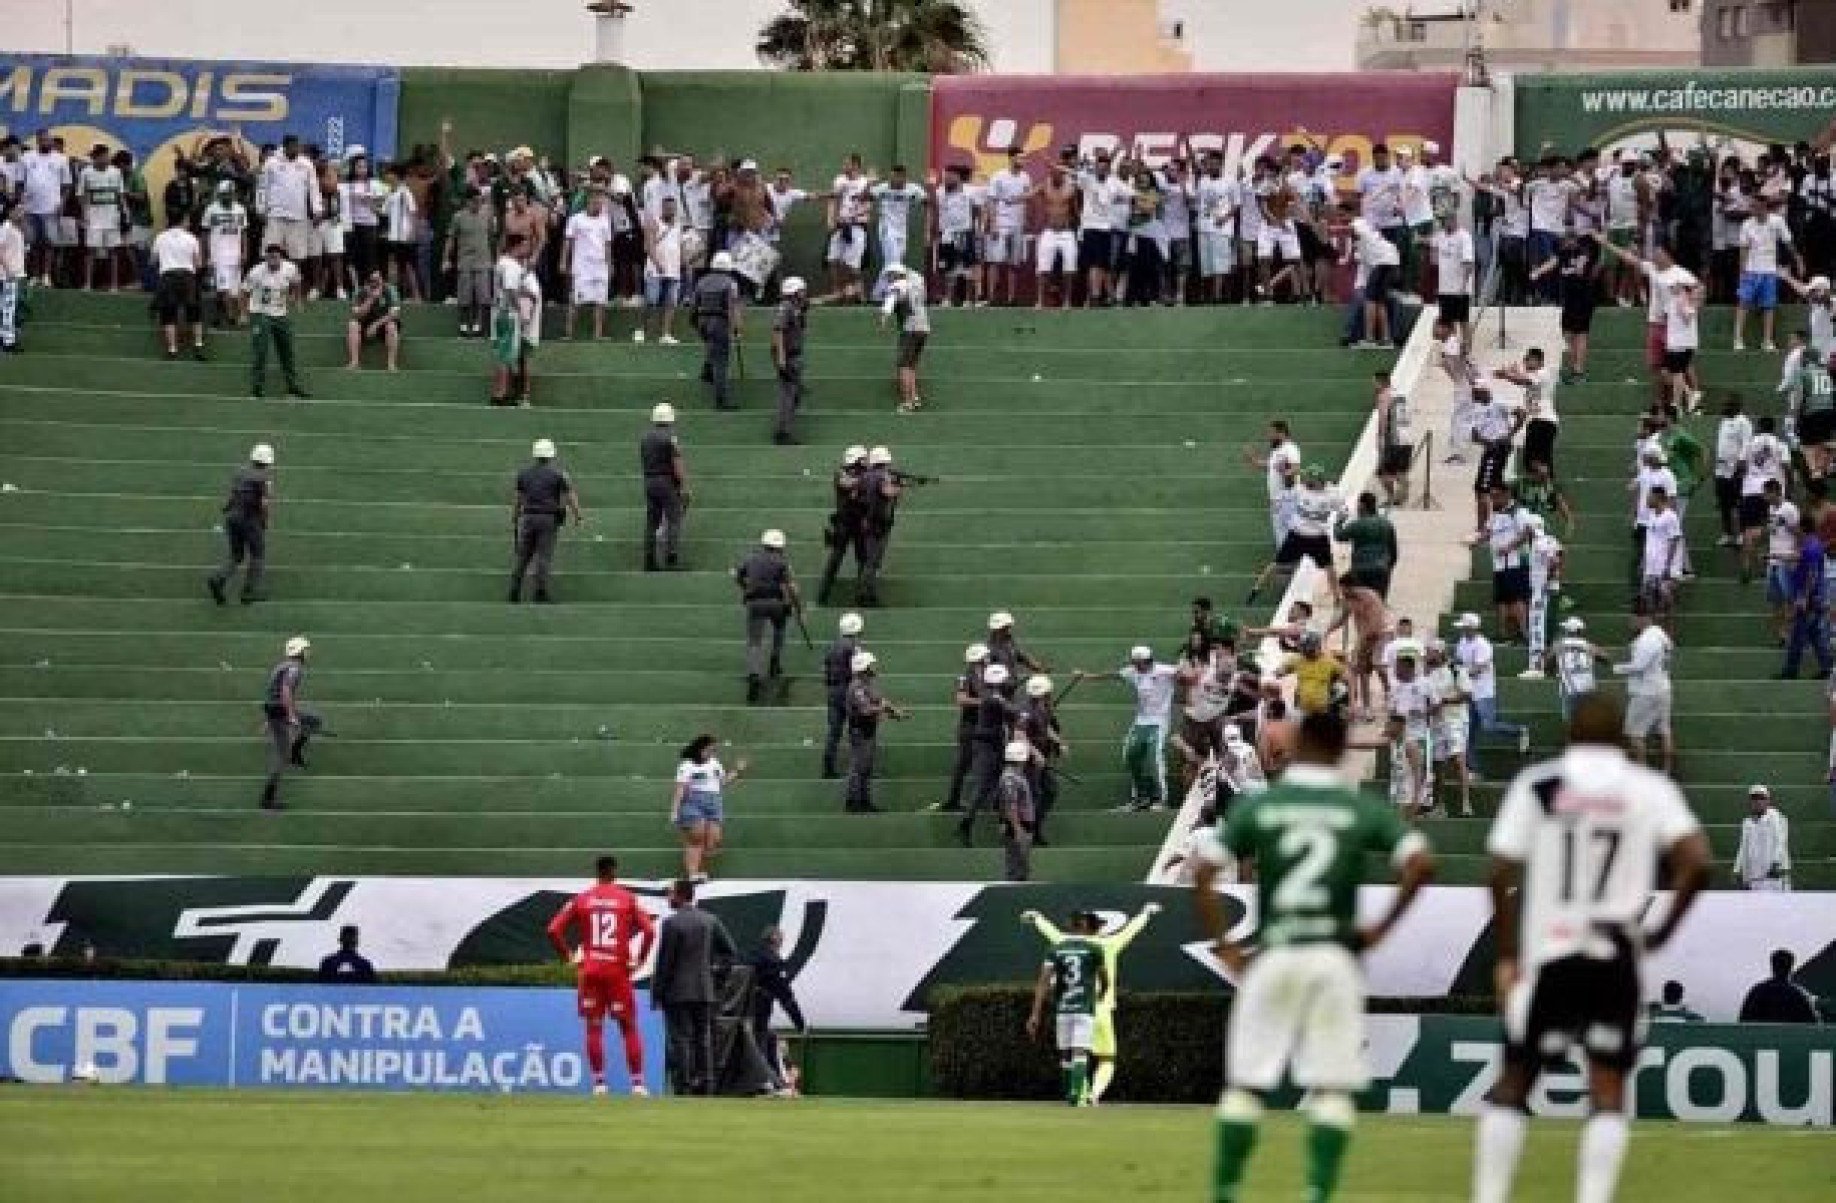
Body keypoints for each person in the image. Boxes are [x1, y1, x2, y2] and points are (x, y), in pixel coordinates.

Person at [1473, 693, 1709, 1203]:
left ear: (1571, 733)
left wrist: (1508, 956)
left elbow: (1497, 871)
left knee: (1515, 1081)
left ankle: (1490, 1197)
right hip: (1616, 953)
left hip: (1553, 954)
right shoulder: (1646, 787)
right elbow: (1698, 861)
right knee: (1607, 1089)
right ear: (1620, 734)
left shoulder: (1539, 785)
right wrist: (1660, 933)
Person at [1193, 709, 1433, 1203]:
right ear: (1345, 748)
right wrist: (1377, 933)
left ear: (1299, 744)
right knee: (1331, 1089)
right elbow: (1420, 863)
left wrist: (1229, 947)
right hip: (1333, 957)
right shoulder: (1357, 807)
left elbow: (1202, 873)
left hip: (1276, 953)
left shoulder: (1264, 804)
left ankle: (1226, 1191)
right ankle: (1318, 1193)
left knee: (1245, 1087)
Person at [547, 856, 658, 1096]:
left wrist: (569, 956)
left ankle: (599, 1084)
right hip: (617, 971)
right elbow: (649, 929)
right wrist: (639, 959)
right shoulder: (627, 898)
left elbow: (553, 929)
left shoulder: (582, 899)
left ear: (596, 872)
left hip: (591, 971)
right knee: (628, 1027)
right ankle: (637, 1084)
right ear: (614, 872)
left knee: (594, 1027)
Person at [652, 879, 738, 1096]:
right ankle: (708, 1084)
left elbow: (665, 963)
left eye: (670, 894)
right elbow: (730, 951)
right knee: (703, 1038)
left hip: (677, 992)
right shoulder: (710, 920)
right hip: (704, 990)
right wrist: (716, 977)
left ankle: (685, 1085)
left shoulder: (672, 924)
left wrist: (657, 994)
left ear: (681, 896)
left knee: (681, 1039)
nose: (668, 898)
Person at [1076, 646, 1180, 812]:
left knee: (1155, 758)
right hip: (1140, 721)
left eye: (1137, 662)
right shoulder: (1132, 672)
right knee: (1130, 756)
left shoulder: (1165, 671)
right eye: (1133, 662)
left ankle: (1162, 799)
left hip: (1159, 721)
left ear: (1145, 661)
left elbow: (1187, 675)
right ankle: (1139, 797)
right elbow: (1114, 675)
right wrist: (1089, 676)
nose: (1134, 665)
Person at [1025, 915, 1109, 1107]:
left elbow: (1043, 983)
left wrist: (1035, 1014)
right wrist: (1101, 994)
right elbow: (1105, 978)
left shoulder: (1055, 950)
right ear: (1085, 927)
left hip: (1063, 1008)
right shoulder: (1094, 949)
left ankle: (1070, 1093)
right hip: (1084, 1008)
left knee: (1065, 1053)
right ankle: (1074, 1093)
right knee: (1081, 1052)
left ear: (1070, 927)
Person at [1454, 612, 1530, 778]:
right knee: (1467, 733)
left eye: (1465, 627)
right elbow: (1460, 662)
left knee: (1488, 725)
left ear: (1472, 628)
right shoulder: (1462, 642)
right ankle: (1473, 770)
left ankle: (1520, 731)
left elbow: (1478, 669)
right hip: (1468, 692)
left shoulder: (1483, 645)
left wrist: (1461, 672)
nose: (1462, 630)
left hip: (1484, 692)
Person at [508, 439, 582, 605]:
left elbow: (518, 498)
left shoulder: (524, 474)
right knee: (543, 556)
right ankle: (540, 592)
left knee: (523, 555)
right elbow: (570, 496)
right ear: (551, 455)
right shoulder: (558, 475)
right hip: (548, 519)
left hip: (528, 518)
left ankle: (514, 589)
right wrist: (577, 515)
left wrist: (515, 516)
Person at [736, 529, 800, 704]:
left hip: (755, 603)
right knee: (780, 629)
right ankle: (775, 661)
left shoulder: (750, 559)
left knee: (754, 641)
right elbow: (791, 588)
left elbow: (739, 576)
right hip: (775, 603)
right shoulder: (782, 563)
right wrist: (795, 606)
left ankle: (754, 673)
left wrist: (745, 588)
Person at [208, 443, 275, 606]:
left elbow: (232, 495)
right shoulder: (264, 479)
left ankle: (219, 578)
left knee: (236, 555)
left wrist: (227, 509)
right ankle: (249, 593)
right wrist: (265, 521)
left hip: (232, 517)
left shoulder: (240, 472)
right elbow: (264, 503)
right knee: (257, 554)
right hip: (249, 519)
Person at [259, 635, 321, 811]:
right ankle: (267, 799)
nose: (308, 653)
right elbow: (285, 691)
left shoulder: (283, 665)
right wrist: (291, 716)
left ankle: (295, 754)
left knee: (314, 722)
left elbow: (273, 691)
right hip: (279, 710)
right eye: (306, 650)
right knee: (281, 756)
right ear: (300, 652)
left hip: (275, 709)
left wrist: (268, 719)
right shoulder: (294, 669)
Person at [673, 733, 746, 883]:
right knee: (696, 838)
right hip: (693, 802)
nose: (712, 752)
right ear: (700, 749)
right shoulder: (687, 765)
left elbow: (723, 782)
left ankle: (700, 870)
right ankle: (693, 874)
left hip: (714, 802)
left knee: (714, 840)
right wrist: (675, 810)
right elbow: (680, 788)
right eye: (710, 749)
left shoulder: (715, 763)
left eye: (713, 750)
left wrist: (737, 771)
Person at [842, 650, 909, 814]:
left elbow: (881, 702)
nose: (874, 667)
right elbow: (866, 710)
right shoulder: (857, 687)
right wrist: (885, 711)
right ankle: (853, 802)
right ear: (864, 668)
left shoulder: (867, 684)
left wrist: (895, 712)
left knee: (865, 768)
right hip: (861, 732)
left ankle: (863, 801)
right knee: (859, 768)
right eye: (870, 665)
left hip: (868, 731)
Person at [1614, 601, 1675, 775]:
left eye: (1633, 618)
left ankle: (1642, 773)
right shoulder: (1661, 634)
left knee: (1634, 733)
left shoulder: (1647, 640)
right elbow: (1669, 650)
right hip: (1663, 686)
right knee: (1665, 730)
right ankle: (1667, 771)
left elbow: (1639, 666)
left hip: (1646, 691)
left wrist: (1617, 668)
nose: (1631, 621)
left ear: (1642, 618)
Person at [745, 926, 807, 1095]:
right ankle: (768, 1083)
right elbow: (786, 997)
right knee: (765, 1042)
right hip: (759, 1013)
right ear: (776, 940)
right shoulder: (773, 962)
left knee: (762, 1041)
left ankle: (763, 1082)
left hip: (741, 1014)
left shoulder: (749, 957)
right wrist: (800, 1023)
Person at [243, 244, 308, 399]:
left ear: (281, 257)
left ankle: (292, 386)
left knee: (287, 351)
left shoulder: (290, 268)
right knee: (261, 351)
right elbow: (244, 292)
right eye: (270, 256)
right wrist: (243, 314)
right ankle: (257, 388)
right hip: (260, 313)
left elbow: (297, 282)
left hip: (280, 314)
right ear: (266, 257)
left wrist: (297, 299)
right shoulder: (256, 271)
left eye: (276, 256)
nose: (273, 260)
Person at [489, 233, 539, 407]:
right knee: (504, 356)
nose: (526, 249)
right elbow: (510, 291)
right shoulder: (511, 266)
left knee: (503, 354)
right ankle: (500, 394)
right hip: (508, 315)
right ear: (515, 246)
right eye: (524, 245)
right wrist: (520, 307)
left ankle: (500, 392)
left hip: (500, 313)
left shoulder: (502, 262)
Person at [1782, 510, 1833, 680]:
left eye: (1797, 527)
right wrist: (1773, 556)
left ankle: (1790, 670)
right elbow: (1800, 560)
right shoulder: (1812, 544)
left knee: (1798, 635)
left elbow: (1812, 574)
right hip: (1814, 597)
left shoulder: (1810, 547)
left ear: (1803, 528)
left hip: (1810, 599)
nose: (1795, 529)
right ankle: (1827, 667)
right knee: (1815, 635)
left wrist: (1804, 597)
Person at [817, 446, 870, 606]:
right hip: (844, 523)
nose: (866, 461)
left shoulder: (863, 475)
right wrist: (868, 478)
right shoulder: (842, 473)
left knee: (863, 560)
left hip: (859, 523)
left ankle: (862, 595)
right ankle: (823, 595)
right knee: (835, 559)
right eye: (863, 459)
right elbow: (847, 484)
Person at [639, 402, 688, 572]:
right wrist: (683, 485)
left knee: (652, 522)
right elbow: (677, 463)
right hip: (666, 482)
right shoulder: (670, 438)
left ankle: (649, 560)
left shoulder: (645, 438)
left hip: (649, 481)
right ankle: (671, 558)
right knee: (674, 519)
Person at [150, 215, 205, 362]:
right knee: (194, 313)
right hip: (187, 277)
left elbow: (153, 260)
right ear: (183, 221)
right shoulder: (192, 238)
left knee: (169, 315)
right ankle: (198, 346)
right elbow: (198, 263)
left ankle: (172, 350)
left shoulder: (160, 237)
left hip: (167, 277)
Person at [692, 249, 742, 410]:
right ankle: (721, 400)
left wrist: (695, 323)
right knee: (721, 362)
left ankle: (706, 371)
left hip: (702, 320)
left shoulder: (702, 281)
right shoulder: (730, 283)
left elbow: (695, 305)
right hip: (719, 321)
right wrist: (737, 328)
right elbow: (732, 307)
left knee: (710, 345)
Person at [445, 187, 496, 337]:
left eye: (480, 201)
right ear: (468, 201)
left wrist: (495, 258)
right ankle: (463, 324)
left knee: (483, 296)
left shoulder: (487, 216)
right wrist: (446, 258)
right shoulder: (458, 217)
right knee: (464, 296)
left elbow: (492, 238)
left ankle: (478, 324)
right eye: (475, 201)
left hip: (483, 261)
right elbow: (450, 239)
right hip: (465, 261)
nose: (478, 204)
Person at [821, 613, 866, 780]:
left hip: (833, 690)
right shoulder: (854, 647)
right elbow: (859, 670)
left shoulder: (831, 646)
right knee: (857, 729)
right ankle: (859, 767)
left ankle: (828, 767)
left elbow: (825, 669)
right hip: (849, 690)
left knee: (834, 731)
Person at [879, 262, 929, 412]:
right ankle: (915, 397)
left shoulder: (898, 284)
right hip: (924, 327)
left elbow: (890, 300)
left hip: (910, 329)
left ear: (895, 274)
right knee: (912, 365)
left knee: (903, 367)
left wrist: (884, 317)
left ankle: (907, 402)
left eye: (889, 276)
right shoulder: (916, 281)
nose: (888, 279)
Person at [200, 181, 249, 328]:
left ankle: (240, 315)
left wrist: (244, 252)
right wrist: (206, 256)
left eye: (229, 193)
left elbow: (244, 232)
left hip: (235, 255)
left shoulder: (240, 209)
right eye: (224, 194)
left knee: (236, 288)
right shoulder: (211, 210)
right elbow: (204, 234)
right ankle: (231, 316)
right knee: (223, 288)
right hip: (218, 255)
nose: (227, 196)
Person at [1334, 491, 1398, 599]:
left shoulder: (1357, 524)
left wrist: (1339, 522)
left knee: (1361, 602)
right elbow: (1393, 550)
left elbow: (1339, 536)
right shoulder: (1386, 524)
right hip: (1381, 568)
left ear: (1362, 505)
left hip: (1361, 568)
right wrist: (1388, 567)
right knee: (1378, 603)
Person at [771, 275, 809, 444]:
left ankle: (785, 428)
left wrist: (838, 295)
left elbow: (813, 302)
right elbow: (778, 331)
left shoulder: (796, 306)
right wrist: (781, 359)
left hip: (794, 355)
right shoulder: (786, 308)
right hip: (788, 356)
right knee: (788, 395)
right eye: (801, 290)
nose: (804, 293)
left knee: (794, 394)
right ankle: (783, 432)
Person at [1733, 783, 1792, 891]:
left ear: (1768, 801)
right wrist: (1737, 869)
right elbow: (1743, 847)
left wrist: (1776, 863)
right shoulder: (1746, 823)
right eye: (1754, 799)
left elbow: (1780, 841)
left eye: (1761, 798)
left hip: (1774, 878)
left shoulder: (1776, 817)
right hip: (1753, 878)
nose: (1758, 802)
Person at [1712, 395, 1754, 549]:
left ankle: (1742, 534)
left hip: (1736, 470)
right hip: (1721, 470)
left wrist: (1740, 466)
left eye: (1727, 405)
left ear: (1735, 406)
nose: (1723, 408)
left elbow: (1746, 444)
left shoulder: (1744, 423)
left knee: (1739, 504)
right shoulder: (1724, 421)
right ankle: (1727, 534)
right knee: (1724, 504)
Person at [1737, 949, 1820, 1024]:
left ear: (1772, 966)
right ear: (1790, 967)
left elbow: (1743, 1021)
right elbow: (1812, 1024)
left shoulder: (1757, 992)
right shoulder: (1798, 995)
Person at [343, 271, 402, 371]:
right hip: (365, 324)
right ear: (367, 283)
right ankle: (354, 362)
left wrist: (375, 325)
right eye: (373, 281)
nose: (376, 284)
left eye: (378, 281)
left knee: (392, 326)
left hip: (382, 324)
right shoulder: (360, 292)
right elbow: (356, 314)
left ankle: (391, 364)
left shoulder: (390, 290)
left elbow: (394, 314)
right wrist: (371, 299)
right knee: (352, 324)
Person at [996, 740, 1037, 882]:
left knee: (1022, 866)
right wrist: (1017, 829)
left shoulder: (1017, 775)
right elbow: (1010, 805)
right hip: (1018, 827)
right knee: (1016, 867)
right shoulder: (1010, 778)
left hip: (1023, 826)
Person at [0, 205, 23, 352]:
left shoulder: (16, 229)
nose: (22, 213)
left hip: (13, 274)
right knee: (7, 308)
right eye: (18, 210)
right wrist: (8, 270)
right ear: (10, 212)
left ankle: (6, 338)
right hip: (6, 275)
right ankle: (7, 341)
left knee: (8, 307)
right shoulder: (6, 228)